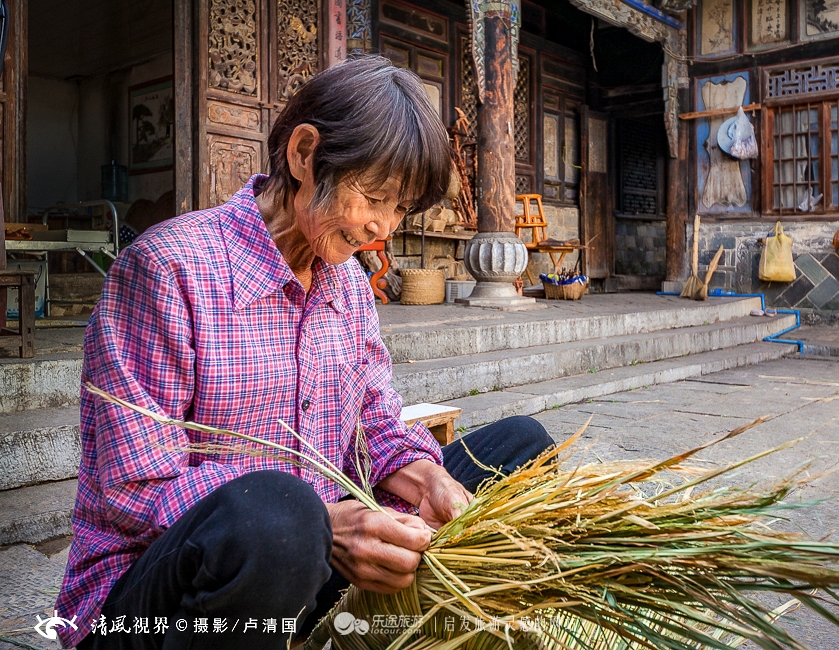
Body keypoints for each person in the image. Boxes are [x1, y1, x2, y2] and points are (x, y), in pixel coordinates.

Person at [58, 56, 554, 650]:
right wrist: (322, 524)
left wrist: (422, 477)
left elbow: (375, 424)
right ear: (303, 155)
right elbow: (135, 489)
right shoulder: (168, 269)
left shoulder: (345, 283)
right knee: (278, 517)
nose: (384, 228)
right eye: (375, 198)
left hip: (299, 573)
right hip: (150, 606)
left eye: (399, 209)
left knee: (520, 449)